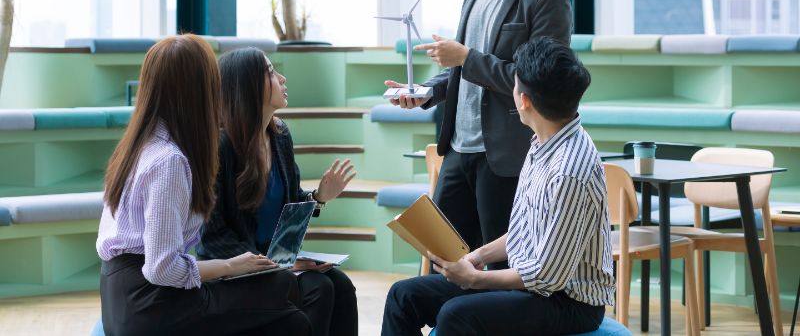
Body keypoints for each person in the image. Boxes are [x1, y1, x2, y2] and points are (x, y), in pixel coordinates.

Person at [385, 0, 572, 267]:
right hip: (458, 147)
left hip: (504, 154)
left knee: (503, 265)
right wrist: (428, 91)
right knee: (442, 258)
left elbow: (539, 82)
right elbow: (462, 68)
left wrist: (466, 58)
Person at [382, 37, 614, 336]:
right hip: (534, 286)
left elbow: (548, 277)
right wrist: (476, 258)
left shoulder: (569, 170)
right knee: (404, 296)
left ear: (524, 100)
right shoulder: (543, 140)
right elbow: (524, 228)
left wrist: (476, 279)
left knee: (456, 315)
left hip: (568, 303)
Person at [96, 34, 310, 336]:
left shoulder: (144, 142)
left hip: (124, 296)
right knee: (291, 316)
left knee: (282, 295)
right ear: (196, 90)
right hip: (151, 304)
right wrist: (230, 266)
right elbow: (162, 268)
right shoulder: (169, 160)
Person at [197, 47, 359, 336]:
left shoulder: (279, 135)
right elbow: (213, 238)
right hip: (236, 268)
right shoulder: (220, 147)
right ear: (247, 86)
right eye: (271, 72)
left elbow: (289, 208)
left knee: (341, 285)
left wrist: (319, 197)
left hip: (275, 261)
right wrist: (275, 265)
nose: (282, 78)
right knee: (318, 288)